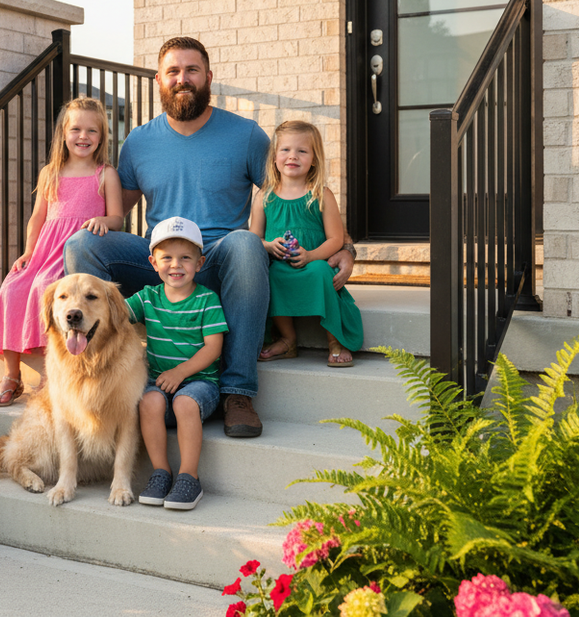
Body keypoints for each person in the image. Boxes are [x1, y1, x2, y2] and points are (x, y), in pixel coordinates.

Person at [65, 36, 358, 438]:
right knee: (82, 244)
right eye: (173, 71)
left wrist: (344, 246)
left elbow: (295, 190)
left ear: (208, 77)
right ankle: (97, 373)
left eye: (191, 70)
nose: (182, 79)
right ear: (158, 80)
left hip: (220, 261)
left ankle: (237, 391)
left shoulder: (247, 136)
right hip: (159, 261)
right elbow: (115, 211)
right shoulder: (139, 141)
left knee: (245, 241)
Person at [0, 97, 123, 406]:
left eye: (92, 130)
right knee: (12, 288)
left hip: (73, 254)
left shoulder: (105, 175)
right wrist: (27, 252)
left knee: (43, 289)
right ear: (64, 133)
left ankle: (53, 371)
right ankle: (12, 374)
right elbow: (37, 217)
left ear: (102, 136)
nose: (83, 137)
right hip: (44, 248)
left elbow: (117, 218)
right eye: (76, 129)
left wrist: (103, 220)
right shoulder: (51, 172)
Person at [129, 216, 225, 511]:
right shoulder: (148, 297)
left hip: (200, 386)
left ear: (200, 262)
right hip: (159, 384)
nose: (176, 265)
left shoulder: (207, 300)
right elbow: (114, 312)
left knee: (184, 402)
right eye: (167, 258)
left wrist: (180, 372)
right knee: (147, 401)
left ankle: (189, 477)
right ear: (153, 262)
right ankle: (161, 472)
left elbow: (213, 349)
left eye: (185, 258)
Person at [250, 120, 363, 366]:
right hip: (281, 264)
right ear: (274, 158)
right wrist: (269, 246)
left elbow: (335, 239)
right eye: (286, 150)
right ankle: (288, 339)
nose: (293, 156)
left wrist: (312, 256)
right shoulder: (264, 197)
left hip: (316, 261)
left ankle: (335, 339)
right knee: (272, 275)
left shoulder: (321, 194)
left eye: (302, 151)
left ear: (314, 159)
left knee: (322, 272)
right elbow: (254, 238)